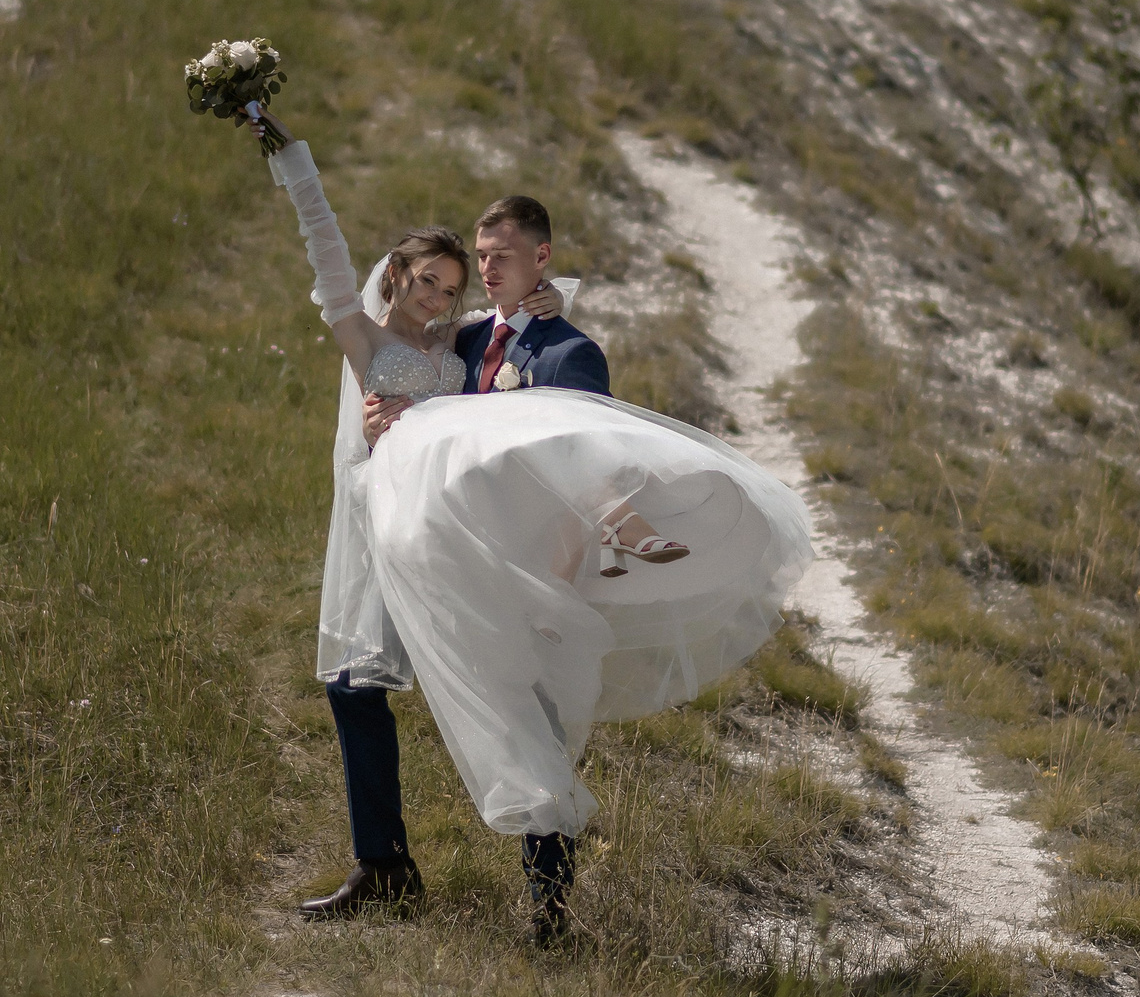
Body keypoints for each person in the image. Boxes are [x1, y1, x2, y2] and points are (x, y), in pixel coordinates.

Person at [251, 110, 813, 944]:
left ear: (540, 262)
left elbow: (587, 449)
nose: (469, 282)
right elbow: (347, 275)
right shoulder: (462, 338)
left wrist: (582, 556)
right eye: (464, 268)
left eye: (487, 265)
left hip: (518, 572)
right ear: (401, 281)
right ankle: (385, 866)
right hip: (418, 542)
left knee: (527, 725)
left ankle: (551, 907)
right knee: (353, 685)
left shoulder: (559, 351)